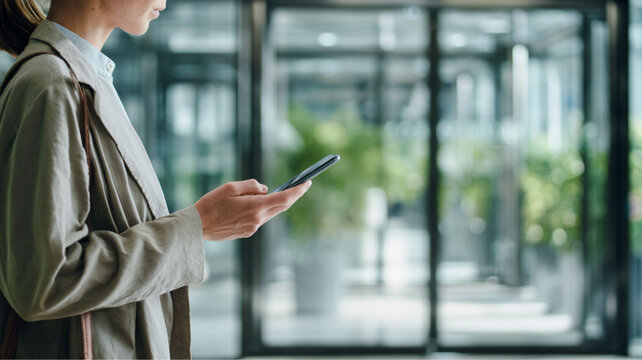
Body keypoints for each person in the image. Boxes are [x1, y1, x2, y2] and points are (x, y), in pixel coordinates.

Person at [0, 0, 311, 358]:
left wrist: (201, 226)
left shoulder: (81, 78)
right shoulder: (52, 84)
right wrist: (195, 226)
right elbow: (48, 279)